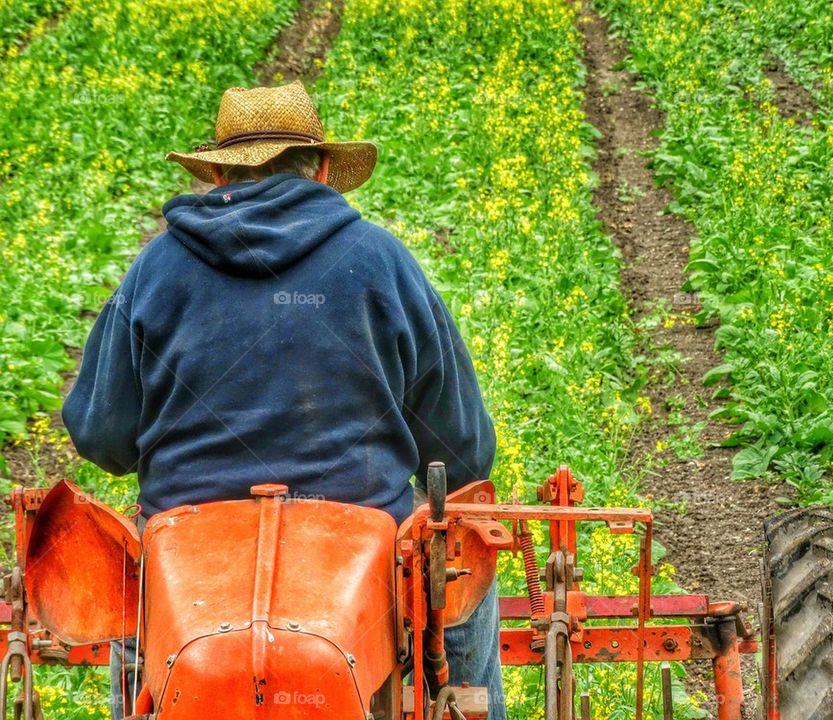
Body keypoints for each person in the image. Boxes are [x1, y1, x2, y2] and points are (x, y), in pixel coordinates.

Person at [62, 80, 503, 720]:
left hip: (187, 547)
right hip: (362, 538)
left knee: (143, 592)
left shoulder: (155, 270)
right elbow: (461, 453)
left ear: (217, 173)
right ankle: (460, 701)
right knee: (459, 572)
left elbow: (102, 436)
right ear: (322, 170)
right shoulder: (380, 261)